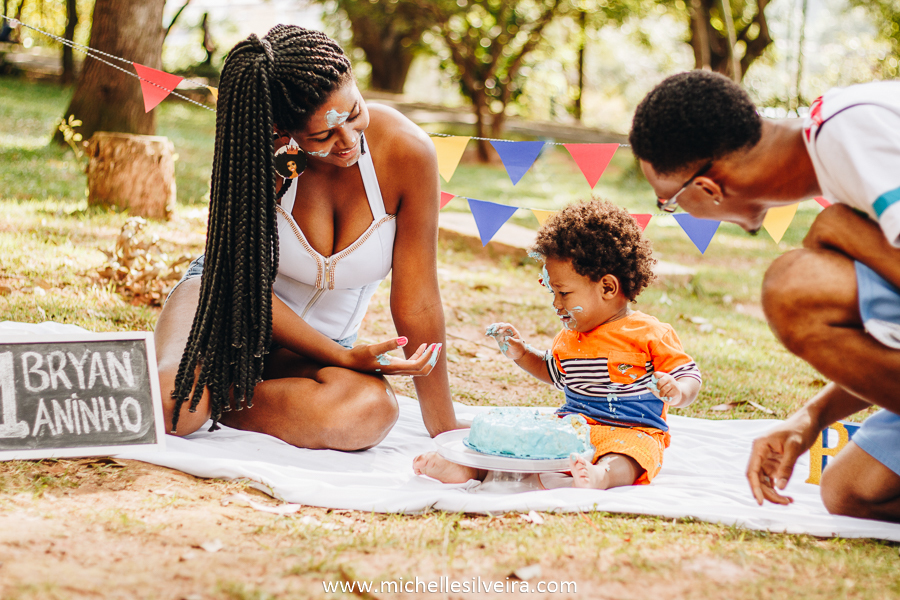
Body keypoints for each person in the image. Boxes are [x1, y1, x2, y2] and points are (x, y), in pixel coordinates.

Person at [154, 25, 459, 450]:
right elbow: (244, 286)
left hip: (309, 352)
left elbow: (419, 298)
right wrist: (342, 358)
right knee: (173, 402)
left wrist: (444, 428)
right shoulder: (260, 153)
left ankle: (217, 398)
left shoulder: (409, 152)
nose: (349, 141)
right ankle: (193, 396)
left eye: (354, 114)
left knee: (370, 410)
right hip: (224, 308)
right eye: (323, 135)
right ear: (284, 130)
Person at [629, 70, 900, 521]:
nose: (674, 213)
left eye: (669, 202)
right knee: (851, 493)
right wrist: (811, 417)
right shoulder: (837, 161)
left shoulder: (855, 130)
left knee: (794, 288)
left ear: (708, 189)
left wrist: (837, 230)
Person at [414, 200, 702, 489]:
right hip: (571, 428)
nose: (555, 303)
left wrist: (678, 391)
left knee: (632, 453)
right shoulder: (569, 337)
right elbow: (552, 372)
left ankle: (602, 476)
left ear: (608, 287)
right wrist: (522, 353)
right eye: (552, 291)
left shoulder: (649, 332)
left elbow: (688, 375)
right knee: (526, 445)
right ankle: (474, 470)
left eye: (563, 293)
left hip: (630, 431)